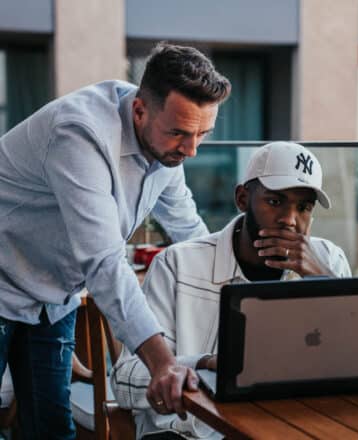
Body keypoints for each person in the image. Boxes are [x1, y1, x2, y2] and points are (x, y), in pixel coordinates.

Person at [0, 43, 231, 439]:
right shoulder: (79, 133)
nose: (191, 150)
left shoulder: (166, 146)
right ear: (139, 110)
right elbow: (104, 263)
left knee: (52, 432)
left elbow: (190, 232)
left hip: (52, 298)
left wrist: (243, 299)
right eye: (179, 133)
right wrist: (163, 363)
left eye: (202, 134)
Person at [111, 141, 352, 439]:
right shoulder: (177, 264)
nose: (289, 220)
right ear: (242, 198)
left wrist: (325, 284)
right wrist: (203, 363)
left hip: (291, 427)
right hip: (189, 434)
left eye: (303, 208)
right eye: (275, 201)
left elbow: (355, 365)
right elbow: (125, 380)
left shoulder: (329, 261)